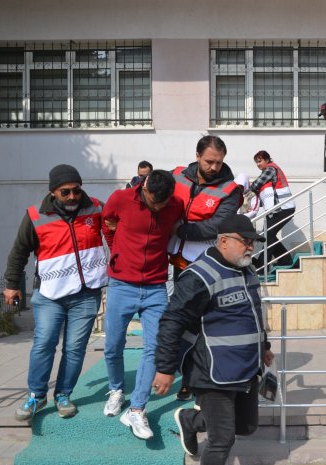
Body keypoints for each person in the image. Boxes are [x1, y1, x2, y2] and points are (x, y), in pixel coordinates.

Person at [153, 215, 274, 465]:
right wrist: (165, 368)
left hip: (246, 366)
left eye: (253, 242)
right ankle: (196, 423)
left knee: (246, 426)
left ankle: (190, 420)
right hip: (211, 370)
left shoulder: (248, 269)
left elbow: (254, 312)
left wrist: (264, 346)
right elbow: (172, 321)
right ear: (224, 241)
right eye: (245, 241)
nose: (251, 247)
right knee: (221, 440)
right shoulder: (199, 275)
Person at [3, 164, 108, 421]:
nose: (73, 196)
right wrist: (12, 284)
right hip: (50, 295)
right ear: (53, 192)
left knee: (75, 348)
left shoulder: (96, 208)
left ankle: (63, 395)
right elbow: (19, 251)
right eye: (65, 192)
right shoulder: (35, 215)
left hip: (86, 293)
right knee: (44, 344)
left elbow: (121, 226)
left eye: (76, 190)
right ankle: (37, 395)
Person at [101, 169, 183, 440]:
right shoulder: (120, 199)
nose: (156, 207)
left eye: (161, 204)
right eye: (152, 202)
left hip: (155, 287)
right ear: (144, 188)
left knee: (154, 347)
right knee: (113, 345)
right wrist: (116, 251)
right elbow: (106, 222)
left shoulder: (176, 205)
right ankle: (116, 390)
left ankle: (137, 408)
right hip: (121, 284)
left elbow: (175, 228)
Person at [169, 135, 241, 401]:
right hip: (173, 262)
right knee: (178, 321)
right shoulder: (176, 175)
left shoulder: (230, 190)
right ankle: (181, 371)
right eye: (209, 161)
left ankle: (193, 379)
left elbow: (216, 226)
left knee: (200, 324)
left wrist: (179, 229)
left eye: (219, 162)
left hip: (204, 266)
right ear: (197, 156)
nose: (214, 167)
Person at [246, 150, 296, 269]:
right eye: (256, 162)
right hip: (279, 209)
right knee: (269, 234)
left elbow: (257, 184)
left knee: (268, 234)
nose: (258, 164)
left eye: (260, 161)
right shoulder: (269, 172)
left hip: (284, 208)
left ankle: (262, 265)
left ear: (267, 160)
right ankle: (285, 260)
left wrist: (247, 188)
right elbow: (267, 196)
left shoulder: (270, 169)